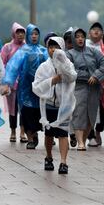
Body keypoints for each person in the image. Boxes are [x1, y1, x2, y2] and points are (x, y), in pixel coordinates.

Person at [32, 37, 77, 174]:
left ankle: (63, 162)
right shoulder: (43, 67)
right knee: (49, 134)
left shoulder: (68, 64)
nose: (53, 50)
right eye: (50, 47)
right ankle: (49, 157)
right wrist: (52, 81)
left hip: (63, 106)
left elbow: (73, 77)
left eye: (56, 47)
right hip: (49, 105)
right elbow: (37, 86)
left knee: (63, 134)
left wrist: (63, 67)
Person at [1, 24, 48, 150]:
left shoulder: (44, 51)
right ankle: (30, 138)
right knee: (26, 113)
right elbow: (12, 68)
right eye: (32, 34)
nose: (34, 36)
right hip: (25, 89)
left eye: (36, 34)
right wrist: (7, 83)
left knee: (37, 113)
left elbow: (51, 67)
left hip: (39, 89)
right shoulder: (22, 51)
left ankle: (35, 133)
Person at [66, 27, 104, 151]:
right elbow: (70, 70)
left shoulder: (93, 51)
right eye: (77, 36)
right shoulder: (69, 54)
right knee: (79, 113)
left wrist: (96, 76)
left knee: (92, 115)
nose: (80, 39)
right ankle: (80, 141)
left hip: (94, 88)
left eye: (82, 36)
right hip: (78, 87)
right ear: (73, 39)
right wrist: (87, 76)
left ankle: (83, 140)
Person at [0, 22, 27, 143]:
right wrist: (6, 80)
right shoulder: (7, 47)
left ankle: (22, 132)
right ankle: (12, 131)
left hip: (25, 84)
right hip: (12, 84)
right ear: (13, 33)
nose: (20, 35)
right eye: (18, 32)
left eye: (22, 32)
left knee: (24, 109)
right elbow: (2, 64)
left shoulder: (27, 47)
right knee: (13, 109)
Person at [85, 22, 104, 147]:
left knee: (102, 111)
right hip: (88, 83)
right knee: (89, 109)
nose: (96, 31)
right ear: (89, 33)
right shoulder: (84, 45)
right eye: (94, 29)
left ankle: (99, 131)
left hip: (103, 84)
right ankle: (90, 135)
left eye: (99, 30)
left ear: (102, 33)